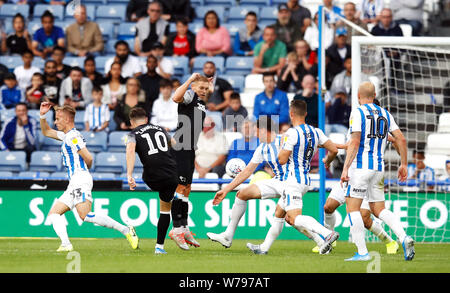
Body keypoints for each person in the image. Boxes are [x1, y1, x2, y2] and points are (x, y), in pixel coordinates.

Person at [208, 116, 328, 254]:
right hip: (277, 181)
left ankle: (322, 241)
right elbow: (247, 171)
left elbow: (311, 144)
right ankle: (227, 236)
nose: (256, 134)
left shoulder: (283, 140)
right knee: (242, 194)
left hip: (292, 182)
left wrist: (342, 146)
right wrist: (226, 190)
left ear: (264, 130)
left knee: (291, 218)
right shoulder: (262, 148)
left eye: (257, 130)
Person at [38, 102, 139, 252]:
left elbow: (89, 158)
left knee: (84, 215)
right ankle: (66, 244)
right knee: (54, 214)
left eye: (58, 118)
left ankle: (126, 230)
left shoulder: (73, 137)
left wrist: (84, 171)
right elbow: (46, 132)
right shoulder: (67, 136)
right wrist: (42, 115)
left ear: (67, 120)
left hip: (80, 178)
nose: (55, 122)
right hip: (74, 181)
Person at [243, 100, 340, 255]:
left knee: (294, 218)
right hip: (305, 179)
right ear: (306, 113)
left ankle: (327, 233)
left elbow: (281, 159)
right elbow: (334, 149)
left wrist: (282, 146)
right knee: (280, 213)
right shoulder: (316, 132)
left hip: (292, 181)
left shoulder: (291, 133)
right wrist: (327, 161)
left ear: (291, 114)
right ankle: (263, 248)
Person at [340, 81, 414, 261]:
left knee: (352, 209)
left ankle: (363, 253)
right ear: (374, 96)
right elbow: (401, 140)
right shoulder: (385, 113)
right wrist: (403, 164)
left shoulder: (357, 112)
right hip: (379, 169)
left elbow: (355, 142)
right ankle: (403, 237)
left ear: (358, 97)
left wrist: (345, 167)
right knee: (379, 209)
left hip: (361, 168)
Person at [126, 107, 179, 254]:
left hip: (152, 177)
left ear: (132, 122)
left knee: (150, 177)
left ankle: (171, 197)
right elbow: (175, 145)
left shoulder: (132, 133)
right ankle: (159, 247)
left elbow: (130, 151)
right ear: (147, 119)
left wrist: (129, 174)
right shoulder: (161, 128)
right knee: (165, 210)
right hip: (171, 174)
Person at [169, 73, 211, 250]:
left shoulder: (201, 103)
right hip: (180, 147)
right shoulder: (189, 95)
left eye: (206, 89)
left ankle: (184, 227)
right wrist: (190, 81)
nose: (203, 91)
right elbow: (175, 97)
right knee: (180, 187)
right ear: (193, 87)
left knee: (187, 188)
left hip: (190, 148)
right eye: (201, 88)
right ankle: (176, 228)